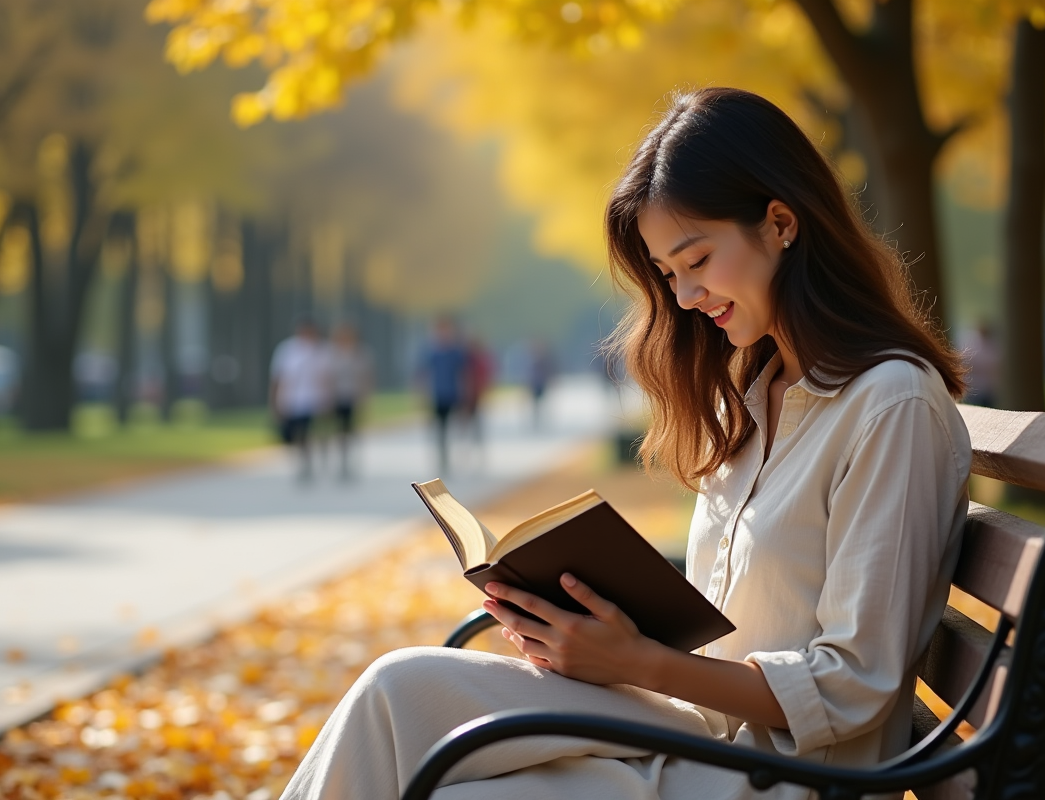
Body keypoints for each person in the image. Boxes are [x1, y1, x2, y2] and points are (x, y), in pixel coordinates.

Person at [279, 88, 970, 800]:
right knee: (397, 689)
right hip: (695, 731)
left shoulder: (891, 405)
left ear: (780, 223)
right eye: (669, 274)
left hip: (787, 777)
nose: (685, 297)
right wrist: (584, 632)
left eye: (697, 259)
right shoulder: (754, 395)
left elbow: (855, 685)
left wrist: (635, 661)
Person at [269, 321, 331, 481]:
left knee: (313, 432)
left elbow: (328, 377)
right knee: (298, 434)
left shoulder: (322, 350)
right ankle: (304, 463)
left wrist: (328, 398)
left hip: (315, 399)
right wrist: (275, 401)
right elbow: (278, 377)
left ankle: (316, 460)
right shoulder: (287, 349)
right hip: (292, 399)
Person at [418, 317, 468, 474]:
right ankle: (442, 458)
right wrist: (422, 394)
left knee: (456, 428)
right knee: (440, 429)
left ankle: (457, 458)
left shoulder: (455, 352)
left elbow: (462, 375)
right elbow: (423, 373)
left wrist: (464, 395)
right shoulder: (431, 352)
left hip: (453, 394)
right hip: (437, 395)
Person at [325, 324, 373, 479]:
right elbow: (327, 376)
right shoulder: (332, 353)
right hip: (337, 396)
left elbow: (366, 376)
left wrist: (364, 397)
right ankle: (340, 461)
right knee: (338, 430)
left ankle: (350, 462)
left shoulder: (360, 353)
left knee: (351, 430)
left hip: (353, 396)